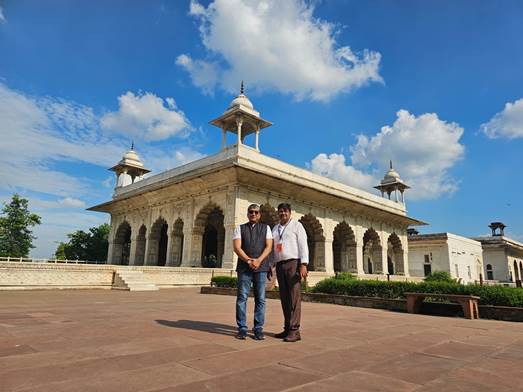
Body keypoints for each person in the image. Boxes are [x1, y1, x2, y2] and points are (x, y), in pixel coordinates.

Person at [233, 203, 273, 340]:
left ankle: (258, 329)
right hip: (245, 268)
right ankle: (242, 328)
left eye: (256, 212)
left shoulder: (266, 228)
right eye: (251, 212)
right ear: (247, 214)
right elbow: (237, 248)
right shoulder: (240, 228)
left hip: (261, 268)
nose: (253, 214)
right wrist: (249, 261)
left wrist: (259, 260)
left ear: (259, 214)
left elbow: (269, 247)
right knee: (242, 298)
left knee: (260, 299)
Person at [272, 203, 308, 342]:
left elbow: (303, 245)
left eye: (285, 211)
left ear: (290, 213)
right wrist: (272, 264)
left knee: (294, 297)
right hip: (280, 265)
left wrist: (303, 264)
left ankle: (295, 330)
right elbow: (274, 248)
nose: (283, 214)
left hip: (293, 263)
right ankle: (287, 328)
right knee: (285, 298)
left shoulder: (297, 226)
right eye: (280, 212)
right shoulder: (276, 229)